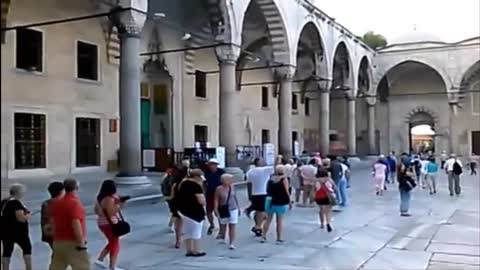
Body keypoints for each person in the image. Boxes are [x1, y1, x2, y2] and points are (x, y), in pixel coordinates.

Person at [49, 178, 90, 270]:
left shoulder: (56, 203)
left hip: (58, 241)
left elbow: (52, 222)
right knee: (83, 267)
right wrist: (81, 244)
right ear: (77, 188)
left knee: (57, 267)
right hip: (72, 242)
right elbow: (76, 224)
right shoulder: (74, 203)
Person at [94, 180, 127, 270]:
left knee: (112, 242)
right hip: (109, 224)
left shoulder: (99, 198)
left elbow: (96, 211)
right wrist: (119, 205)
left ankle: (100, 258)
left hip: (102, 223)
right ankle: (112, 267)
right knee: (115, 244)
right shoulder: (109, 199)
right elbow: (111, 212)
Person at [1, 184, 32, 270]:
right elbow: (21, 218)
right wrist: (28, 215)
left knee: (7, 253)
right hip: (19, 232)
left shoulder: (4, 202)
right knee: (27, 250)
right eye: (23, 192)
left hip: (6, 232)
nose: (23, 194)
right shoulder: (15, 203)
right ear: (19, 193)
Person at [176, 169, 207, 257]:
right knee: (196, 231)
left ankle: (189, 250)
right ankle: (196, 250)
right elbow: (202, 201)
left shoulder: (182, 183)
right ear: (197, 177)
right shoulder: (196, 186)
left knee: (188, 231)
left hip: (184, 211)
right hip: (195, 211)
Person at [262, 165, 291, 243]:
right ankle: (279, 238)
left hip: (271, 201)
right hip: (281, 202)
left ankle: (263, 236)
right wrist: (290, 201)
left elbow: (267, 190)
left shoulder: (270, 179)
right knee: (279, 221)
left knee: (268, 219)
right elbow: (286, 191)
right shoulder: (284, 180)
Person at [245, 158, 274, 237]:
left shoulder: (250, 171)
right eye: (262, 161)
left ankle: (257, 224)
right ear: (259, 162)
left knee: (258, 210)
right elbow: (276, 166)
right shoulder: (264, 170)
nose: (264, 161)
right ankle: (258, 226)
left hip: (254, 193)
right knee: (261, 210)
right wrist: (279, 158)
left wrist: (249, 195)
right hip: (263, 193)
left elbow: (249, 184)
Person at [214, 174, 240, 250]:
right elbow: (216, 199)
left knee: (232, 225)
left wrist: (238, 208)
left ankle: (231, 242)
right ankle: (223, 236)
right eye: (230, 179)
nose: (232, 181)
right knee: (223, 224)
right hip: (223, 209)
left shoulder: (232, 187)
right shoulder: (219, 189)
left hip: (233, 208)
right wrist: (215, 209)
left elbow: (235, 197)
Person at [203, 158, 225, 236]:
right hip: (209, 194)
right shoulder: (206, 172)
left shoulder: (221, 172)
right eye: (210, 164)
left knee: (219, 211)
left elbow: (225, 181)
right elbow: (204, 183)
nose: (211, 166)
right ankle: (211, 224)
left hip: (219, 194)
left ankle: (221, 228)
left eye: (213, 164)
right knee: (209, 210)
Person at [41, 182, 65, 249]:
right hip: (60, 233)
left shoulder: (45, 204)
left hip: (49, 232)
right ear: (61, 191)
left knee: (56, 252)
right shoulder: (63, 203)